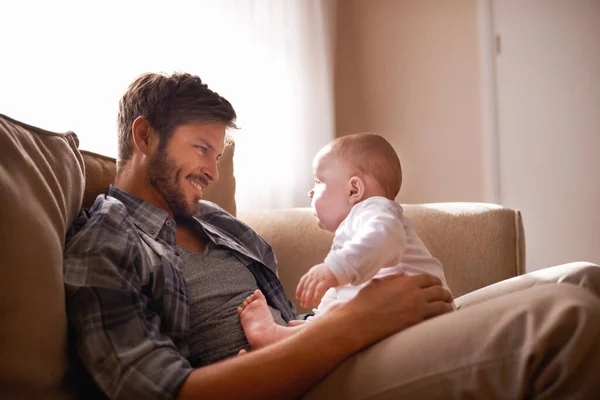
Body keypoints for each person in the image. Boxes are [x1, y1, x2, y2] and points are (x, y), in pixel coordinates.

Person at [63, 71, 600, 400]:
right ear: (144, 135)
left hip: (329, 343)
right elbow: (165, 394)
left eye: (218, 155)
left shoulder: (216, 223)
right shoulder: (105, 245)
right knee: (567, 322)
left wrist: (350, 316)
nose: (213, 172)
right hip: (307, 378)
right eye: (202, 149)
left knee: (582, 281)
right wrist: (358, 322)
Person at [238, 132, 454, 349]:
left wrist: (337, 268)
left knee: (337, 318)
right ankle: (289, 338)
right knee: (336, 313)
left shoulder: (374, 210)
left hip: (418, 311)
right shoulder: (358, 226)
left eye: (318, 181)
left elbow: (385, 238)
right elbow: (344, 294)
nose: (310, 192)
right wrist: (320, 317)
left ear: (354, 190)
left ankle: (279, 338)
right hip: (393, 315)